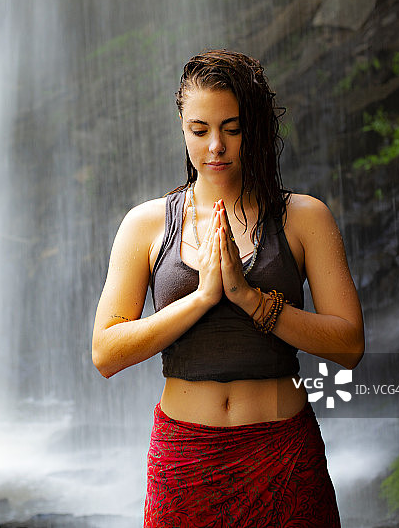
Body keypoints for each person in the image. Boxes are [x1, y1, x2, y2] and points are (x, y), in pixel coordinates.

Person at [91, 49, 364, 527]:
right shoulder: (147, 224)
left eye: (232, 129)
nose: (215, 145)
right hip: (185, 460)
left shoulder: (303, 217)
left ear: (254, 128)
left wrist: (250, 298)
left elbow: (350, 344)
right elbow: (106, 353)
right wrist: (202, 299)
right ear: (182, 127)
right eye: (200, 131)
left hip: (282, 455)